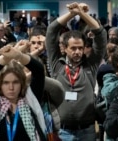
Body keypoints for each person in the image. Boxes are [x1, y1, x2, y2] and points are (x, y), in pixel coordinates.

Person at [46, 2, 107, 141]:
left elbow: (101, 35)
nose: (78, 52)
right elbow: (51, 31)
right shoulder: (57, 64)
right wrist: (72, 13)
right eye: (73, 48)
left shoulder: (90, 65)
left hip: (87, 130)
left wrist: (82, 14)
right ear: (65, 48)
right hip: (62, 130)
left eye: (80, 48)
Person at [0, 43, 47, 141]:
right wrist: (6, 58)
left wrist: (19, 56)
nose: (11, 87)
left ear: (22, 83)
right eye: (6, 83)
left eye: (15, 82)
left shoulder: (30, 100)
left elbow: (39, 70)